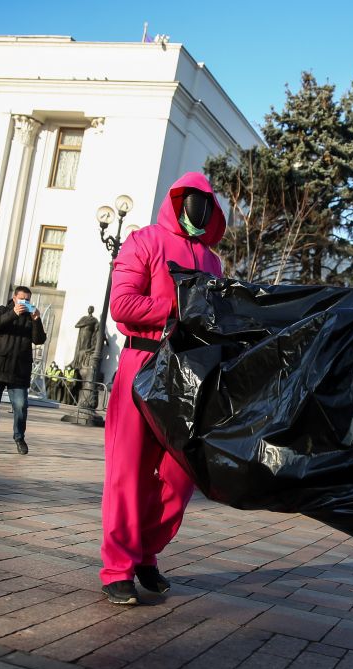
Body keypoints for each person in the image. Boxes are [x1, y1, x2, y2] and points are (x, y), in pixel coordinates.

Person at [99, 172, 225, 605]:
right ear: (178, 201)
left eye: (208, 204)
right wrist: (176, 303)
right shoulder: (143, 241)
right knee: (128, 473)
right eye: (194, 202)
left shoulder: (212, 261)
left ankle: (144, 554)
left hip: (187, 375)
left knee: (180, 475)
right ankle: (118, 566)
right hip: (141, 362)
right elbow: (122, 305)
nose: (200, 211)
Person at [0, 285, 46, 454]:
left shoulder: (31, 317)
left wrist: (37, 319)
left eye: (28, 300)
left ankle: (19, 438)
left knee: (21, 406)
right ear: (15, 298)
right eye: (22, 299)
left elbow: (39, 340)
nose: (25, 302)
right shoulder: (2, 310)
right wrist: (13, 314)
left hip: (19, 369)